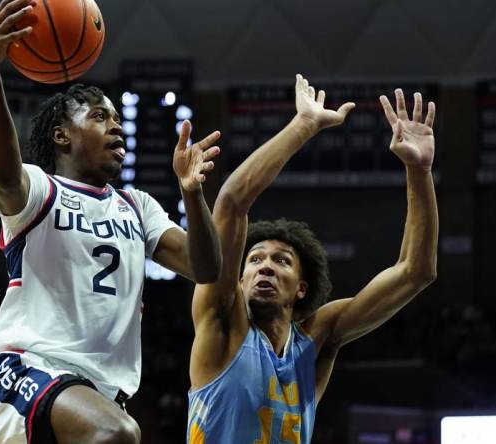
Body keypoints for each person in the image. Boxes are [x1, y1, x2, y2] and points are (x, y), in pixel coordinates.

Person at [0, 1, 222, 443]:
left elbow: (205, 267)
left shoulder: (136, 206)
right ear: (61, 135)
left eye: (114, 117)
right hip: (30, 372)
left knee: (117, 429)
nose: (116, 127)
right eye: (99, 116)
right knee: (118, 434)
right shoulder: (40, 191)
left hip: (100, 392)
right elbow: (4, 174)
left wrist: (191, 191)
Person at [186, 75, 439, 443]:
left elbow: (415, 272)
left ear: (301, 289)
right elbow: (231, 203)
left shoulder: (317, 340)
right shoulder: (221, 324)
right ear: (238, 280)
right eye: (254, 259)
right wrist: (303, 125)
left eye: (282, 261)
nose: (265, 266)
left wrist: (419, 171)